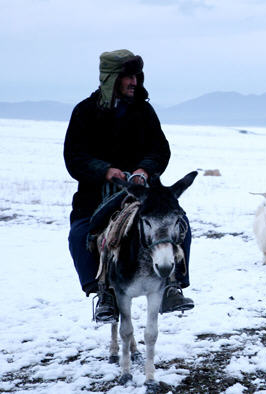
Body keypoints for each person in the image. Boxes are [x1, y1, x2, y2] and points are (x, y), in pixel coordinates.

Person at [64, 49, 193, 323]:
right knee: (80, 235)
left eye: (136, 76)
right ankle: (104, 293)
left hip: (145, 192)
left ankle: (172, 286)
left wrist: (143, 169)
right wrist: (105, 171)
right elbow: (74, 157)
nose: (135, 82)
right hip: (97, 193)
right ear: (111, 79)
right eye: (128, 77)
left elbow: (161, 149)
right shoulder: (84, 113)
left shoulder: (144, 111)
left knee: (181, 226)